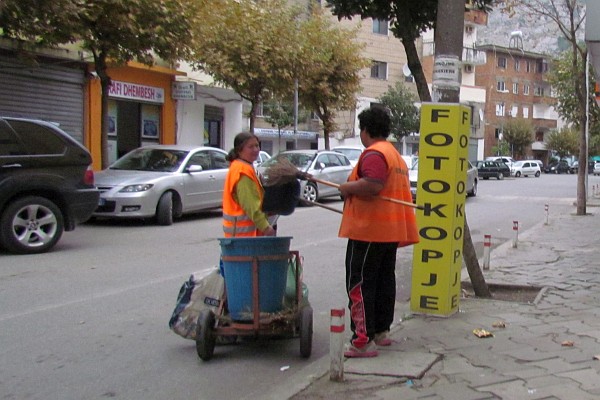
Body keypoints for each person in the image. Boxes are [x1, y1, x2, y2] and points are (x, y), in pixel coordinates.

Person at [338, 107, 419, 358]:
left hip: (369, 230)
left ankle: (362, 340)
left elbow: (373, 185)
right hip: (388, 230)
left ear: (365, 130)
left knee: (360, 283)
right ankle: (381, 331)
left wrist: (346, 187)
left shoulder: (374, 154)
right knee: (384, 281)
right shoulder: (394, 155)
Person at [222, 132, 276, 237]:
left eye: (257, 145)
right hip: (244, 239)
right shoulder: (242, 171)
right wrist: (266, 227)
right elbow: (251, 205)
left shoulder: (243, 166)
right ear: (239, 150)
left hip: (241, 237)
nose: (256, 149)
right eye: (251, 147)